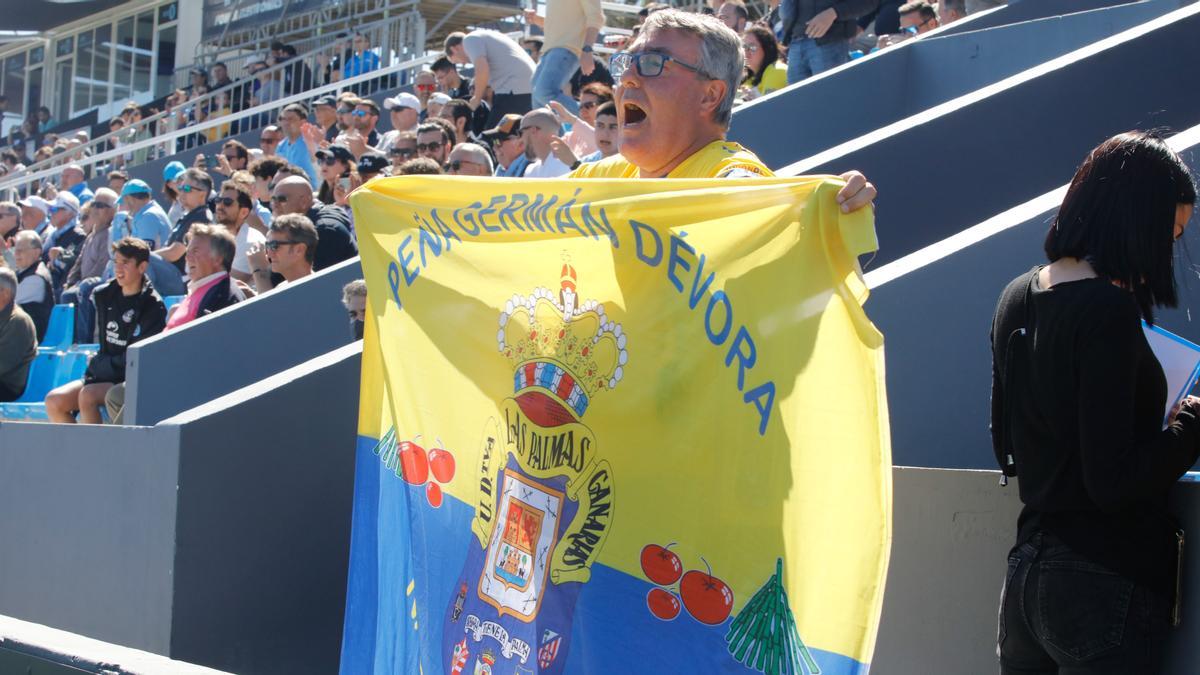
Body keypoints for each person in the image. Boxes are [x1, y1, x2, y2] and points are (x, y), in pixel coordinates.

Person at [991, 131, 1200, 673]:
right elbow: (1112, 481)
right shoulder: (1107, 310)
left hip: (1025, 578)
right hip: (1104, 579)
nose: (1165, 253)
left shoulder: (1018, 294)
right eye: (1167, 233)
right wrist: (1191, 425)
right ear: (1135, 220)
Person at [570, 7, 876, 215]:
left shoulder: (727, 177)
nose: (626, 78)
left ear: (710, 95)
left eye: (653, 63)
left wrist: (823, 209)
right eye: (626, 62)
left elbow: (752, 194)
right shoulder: (613, 172)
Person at [45, 237, 166, 424]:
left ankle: (94, 452)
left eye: (125, 263)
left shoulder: (152, 306)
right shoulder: (104, 296)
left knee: (88, 396)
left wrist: (100, 364)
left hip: (125, 379)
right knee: (54, 401)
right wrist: (99, 366)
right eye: (116, 262)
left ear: (142, 267)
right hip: (102, 372)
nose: (118, 268)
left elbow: (136, 359)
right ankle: (76, 450)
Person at [444, 30, 536, 127]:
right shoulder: (489, 36)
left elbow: (482, 69)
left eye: (457, 61)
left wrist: (476, 99)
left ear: (455, 49)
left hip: (513, 88)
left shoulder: (469, 40)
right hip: (527, 88)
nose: (463, 64)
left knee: (492, 134)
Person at [527, 0, 604, 114]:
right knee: (539, 103)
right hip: (551, 49)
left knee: (544, 93)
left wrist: (587, 49)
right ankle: (554, 132)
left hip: (567, 48)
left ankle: (597, 119)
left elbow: (596, 17)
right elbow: (561, 24)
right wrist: (537, 19)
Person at [165, 224, 245, 330]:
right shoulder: (204, 288)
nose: (187, 257)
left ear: (217, 259)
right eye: (188, 252)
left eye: (195, 251)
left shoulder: (223, 296)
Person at [269, 176, 357, 271]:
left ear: (303, 202)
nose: (275, 204)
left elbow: (322, 280)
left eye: (282, 199)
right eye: (273, 199)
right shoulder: (310, 220)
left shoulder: (324, 231)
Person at [779, 0, 878, 85]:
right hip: (795, 42)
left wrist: (833, 13)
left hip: (829, 43)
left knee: (828, 99)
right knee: (797, 103)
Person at [158, 168, 214, 275]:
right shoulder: (189, 215)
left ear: (202, 194)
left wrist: (145, 255)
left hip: (183, 280)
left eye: (187, 189)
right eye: (181, 188)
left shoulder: (201, 218)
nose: (181, 193)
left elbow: (174, 253)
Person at [246, 213, 319, 294]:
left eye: (274, 245)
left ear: (299, 249)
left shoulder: (315, 289)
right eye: (267, 246)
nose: (268, 254)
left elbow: (271, 306)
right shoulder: (282, 287)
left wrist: (258, 268)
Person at [214, 180, 265, 284]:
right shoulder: (216, 238)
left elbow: (226, 283)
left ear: (244, 212)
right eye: (218, 200)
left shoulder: (251, 241)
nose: (220, 206)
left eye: (227, 202)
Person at [12, 231, 52, 341]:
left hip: (29, 338)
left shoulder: (36, 277)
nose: (16, 254)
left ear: (36, 252)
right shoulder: (22, 272)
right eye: (15, 250)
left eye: (21, 250)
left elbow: (7, 302)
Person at [116, 179, 172, 249]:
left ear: (129, 198)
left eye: (124, 200)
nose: (125, 205)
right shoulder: (150, 213)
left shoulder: (148, 217)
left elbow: (143, 254)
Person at [520, 108, 573, 178]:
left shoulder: (564, 166)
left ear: (533, 131)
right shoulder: (531, 170)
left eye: (521, 132)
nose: (520, 139)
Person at [277, 104, 319, 187]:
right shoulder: (280, 146)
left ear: (303, 121)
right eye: (283, 119)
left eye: (290, 119)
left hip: (311, 191)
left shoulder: (310, 140)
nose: (286, 123)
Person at [741, 25, 788, 100]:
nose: (746, 53)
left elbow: (770, 109)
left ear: (767, 49)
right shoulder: (750, 77)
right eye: (744, 47)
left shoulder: (777, 70)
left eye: (752, 47)